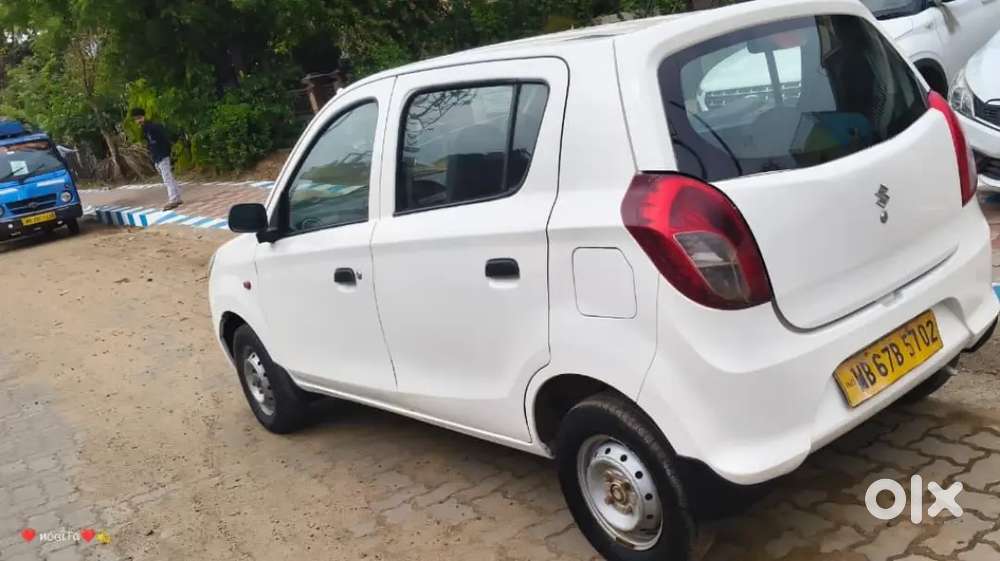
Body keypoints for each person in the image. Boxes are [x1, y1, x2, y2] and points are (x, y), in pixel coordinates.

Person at [131, 108, 182, 210]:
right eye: (136, 119)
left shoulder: (153, 127)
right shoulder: (145, 129)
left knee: (167, 178)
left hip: (162, 154)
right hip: (156, 156)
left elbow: (164, 140)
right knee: (168, 176)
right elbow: (151, 144)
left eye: (139, 118)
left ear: (143, 116)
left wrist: (166, 153)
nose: (138, 121)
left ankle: (173, 199)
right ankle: (177, 197)